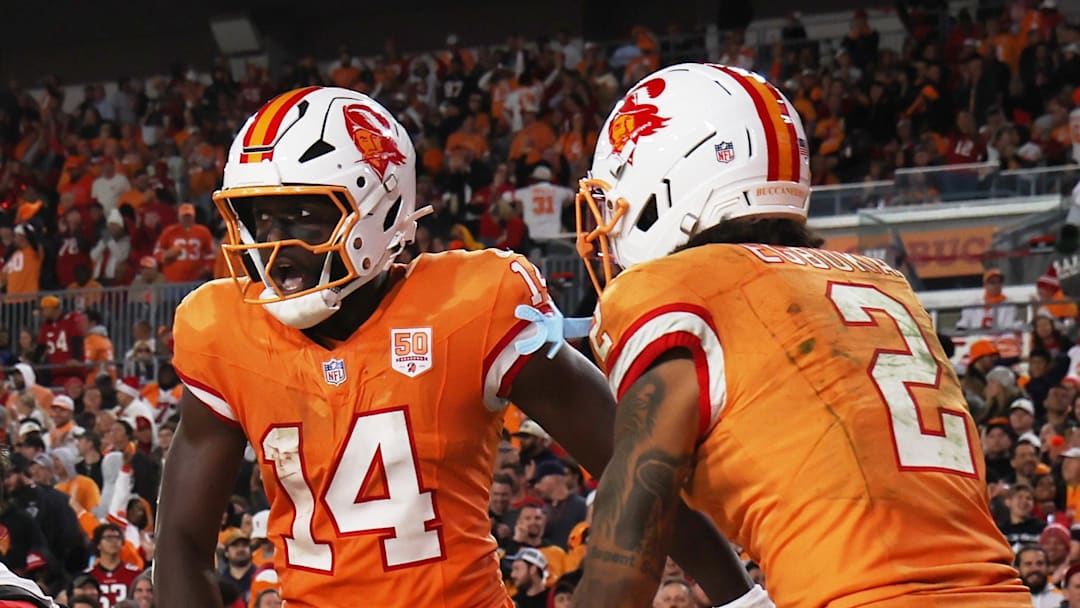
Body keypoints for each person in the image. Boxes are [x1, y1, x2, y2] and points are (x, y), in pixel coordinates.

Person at [156, 87, 756, 608]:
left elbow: (637, 463)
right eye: (259, 220)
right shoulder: (224, 328)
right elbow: (181, 539)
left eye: (305, 217)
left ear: (380, 209)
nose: (273, 245)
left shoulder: (471, 304)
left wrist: (741, 597)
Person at [572, 63, 1027, 607]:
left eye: (612, 201)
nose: (606, 224)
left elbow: (634, 518)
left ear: (666, 183)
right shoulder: (883, 283)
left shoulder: (679, 286)